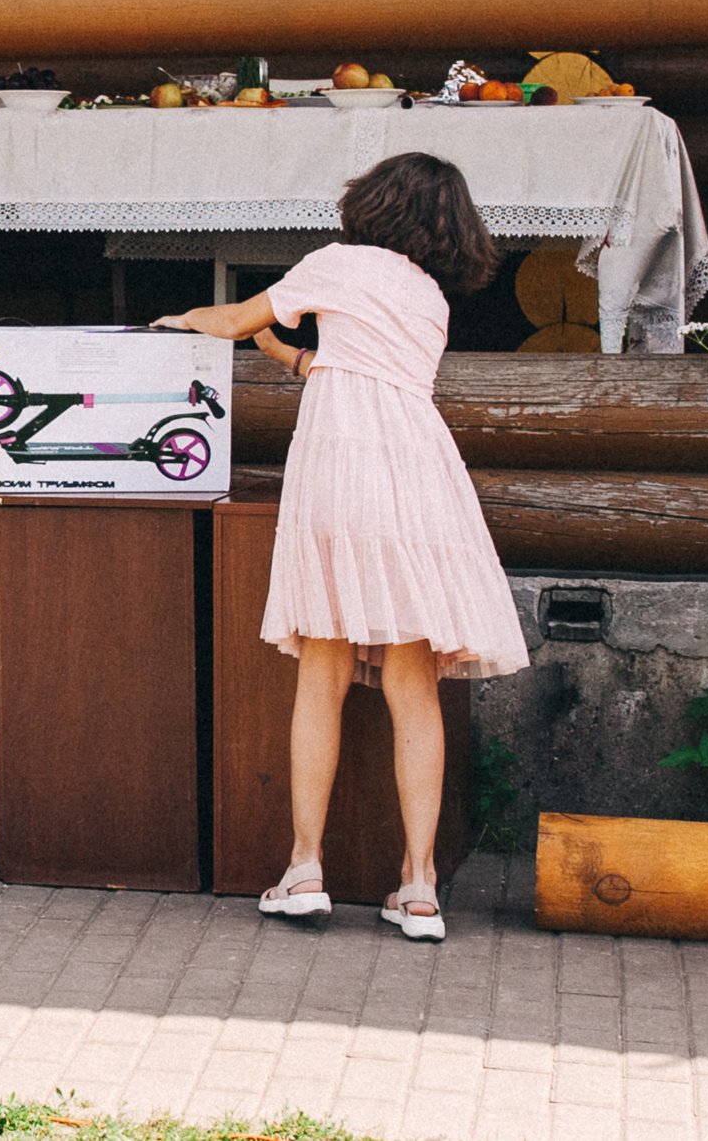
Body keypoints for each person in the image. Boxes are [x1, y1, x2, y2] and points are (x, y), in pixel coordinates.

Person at [155, 152, 527, 941]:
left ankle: (304, 869)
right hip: (418, 475)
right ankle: (420, 886)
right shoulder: (427, 295)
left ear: (376, 204)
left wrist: (187, 321)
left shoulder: (338, 262)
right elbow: (361, 368)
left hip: (340, 473)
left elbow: (233, 319)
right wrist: (292, 356)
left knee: (321, 670)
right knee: (412, 680)